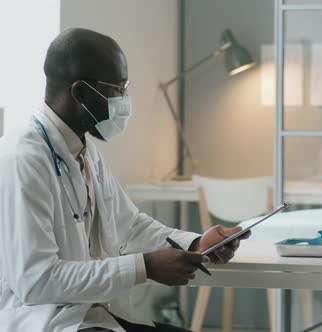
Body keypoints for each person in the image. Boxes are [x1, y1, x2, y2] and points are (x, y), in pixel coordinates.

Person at [0, 28, 248, 332]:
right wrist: (144, 267)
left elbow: (129, 225)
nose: (124, 99)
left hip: (95, 316)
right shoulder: (23, 158)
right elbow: (36, 282)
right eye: (118, 88)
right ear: (80, 92)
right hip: (46, 321)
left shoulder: (83, 148)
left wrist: (195, 243)